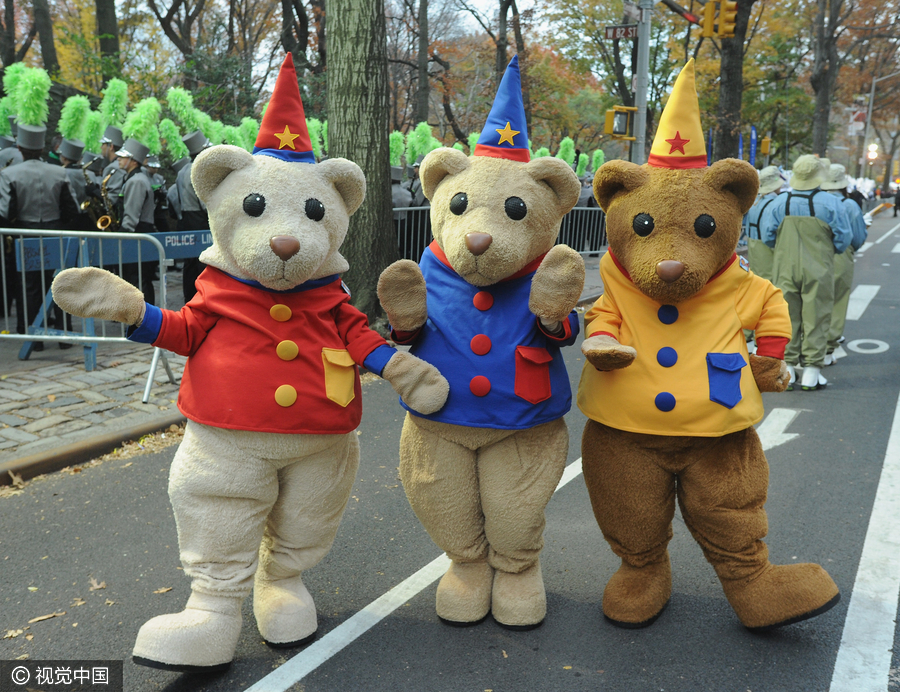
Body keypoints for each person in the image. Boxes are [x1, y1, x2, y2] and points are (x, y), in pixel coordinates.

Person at [760, 154, 852, 391]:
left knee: (787, 316)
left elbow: (768, 236)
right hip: (819, 266)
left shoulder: (780, 203)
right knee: (817, 315)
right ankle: (812, 371)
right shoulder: (831, 203)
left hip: (785, 265)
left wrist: (782, 251)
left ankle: (789, 367)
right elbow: (844, 239)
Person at [0, 123, 79, 348]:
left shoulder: (8, 174)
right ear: (43, 148)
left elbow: (5, 212)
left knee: (29, 286)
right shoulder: (59, 171)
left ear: (19, 147)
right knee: (59, 283)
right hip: (55, 231)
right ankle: (65, 335)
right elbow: (72, 209)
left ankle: (34, 338)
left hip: (25, 233)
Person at [821, 163, 868, 365]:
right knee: (837, 302)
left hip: (813, 256)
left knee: (811, 301)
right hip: (841, 257)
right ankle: (828, 350)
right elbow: (857, 238)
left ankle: (806, 347)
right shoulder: (850, 205)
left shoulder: (815, 201)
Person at [115, 137, 157, 305]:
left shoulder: (137, 181)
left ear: (133, 161)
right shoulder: (135, 178)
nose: (118, 158)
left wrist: (123, 237)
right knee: (139, 279)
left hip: (137, 234)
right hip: (139, 233)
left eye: (123, 156)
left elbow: (131, 217)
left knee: (138, 279)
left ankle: (143, 319)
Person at [175, 131, 211, 302]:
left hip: (186, 219)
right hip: (200, 221)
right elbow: (205, 203)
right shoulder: (201, 170)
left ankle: (189, 299)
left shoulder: (182, 170)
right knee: (203, 265)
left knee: (189, 265)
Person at [144, 155, 170, 232]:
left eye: (156, 168)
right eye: (153, 168)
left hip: (158, 207)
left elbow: (165, 193)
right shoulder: (143, 176)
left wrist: (161, 193)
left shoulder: (159, 178)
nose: (155, 170)